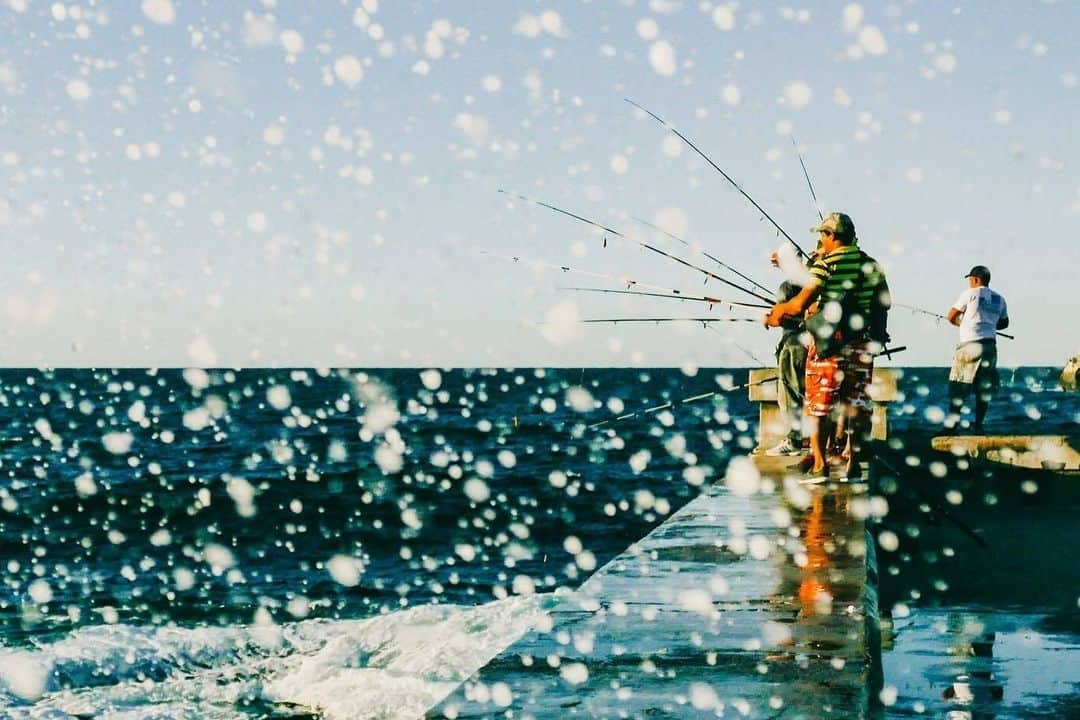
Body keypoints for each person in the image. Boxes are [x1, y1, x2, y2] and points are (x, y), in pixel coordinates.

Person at [765, 212, 890, 482]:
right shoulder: (871, 264)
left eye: (822, 235)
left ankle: (821, 467)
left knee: (818, 407)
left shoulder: (826, 263)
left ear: (832, 236)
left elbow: (799, 304)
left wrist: (776, 313)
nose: (822, 240)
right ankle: (853, 467)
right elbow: (884, 303)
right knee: (856, 406)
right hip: (862, 345)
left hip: (830, 346)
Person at [946, 265, 1008, 432]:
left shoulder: (969, 294)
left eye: (970, 279)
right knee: (983, 388)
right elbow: (1004, 323)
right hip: (990, 346)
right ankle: (978, 426)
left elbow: (950, 316)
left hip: (970, 344)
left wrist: (962, 323)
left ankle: (952, 427)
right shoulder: (999, 298)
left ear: (975, 279)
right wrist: (989, 322)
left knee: (958, 386)